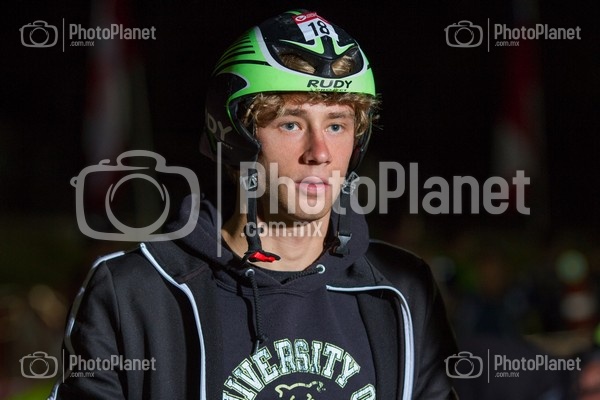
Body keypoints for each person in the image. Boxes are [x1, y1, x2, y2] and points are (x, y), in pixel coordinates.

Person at [50, 9, 458, 399]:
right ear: (234, 139)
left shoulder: (402, 291)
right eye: (290, 124)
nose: (320, 152)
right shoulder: (133, 292)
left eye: (336, 125)